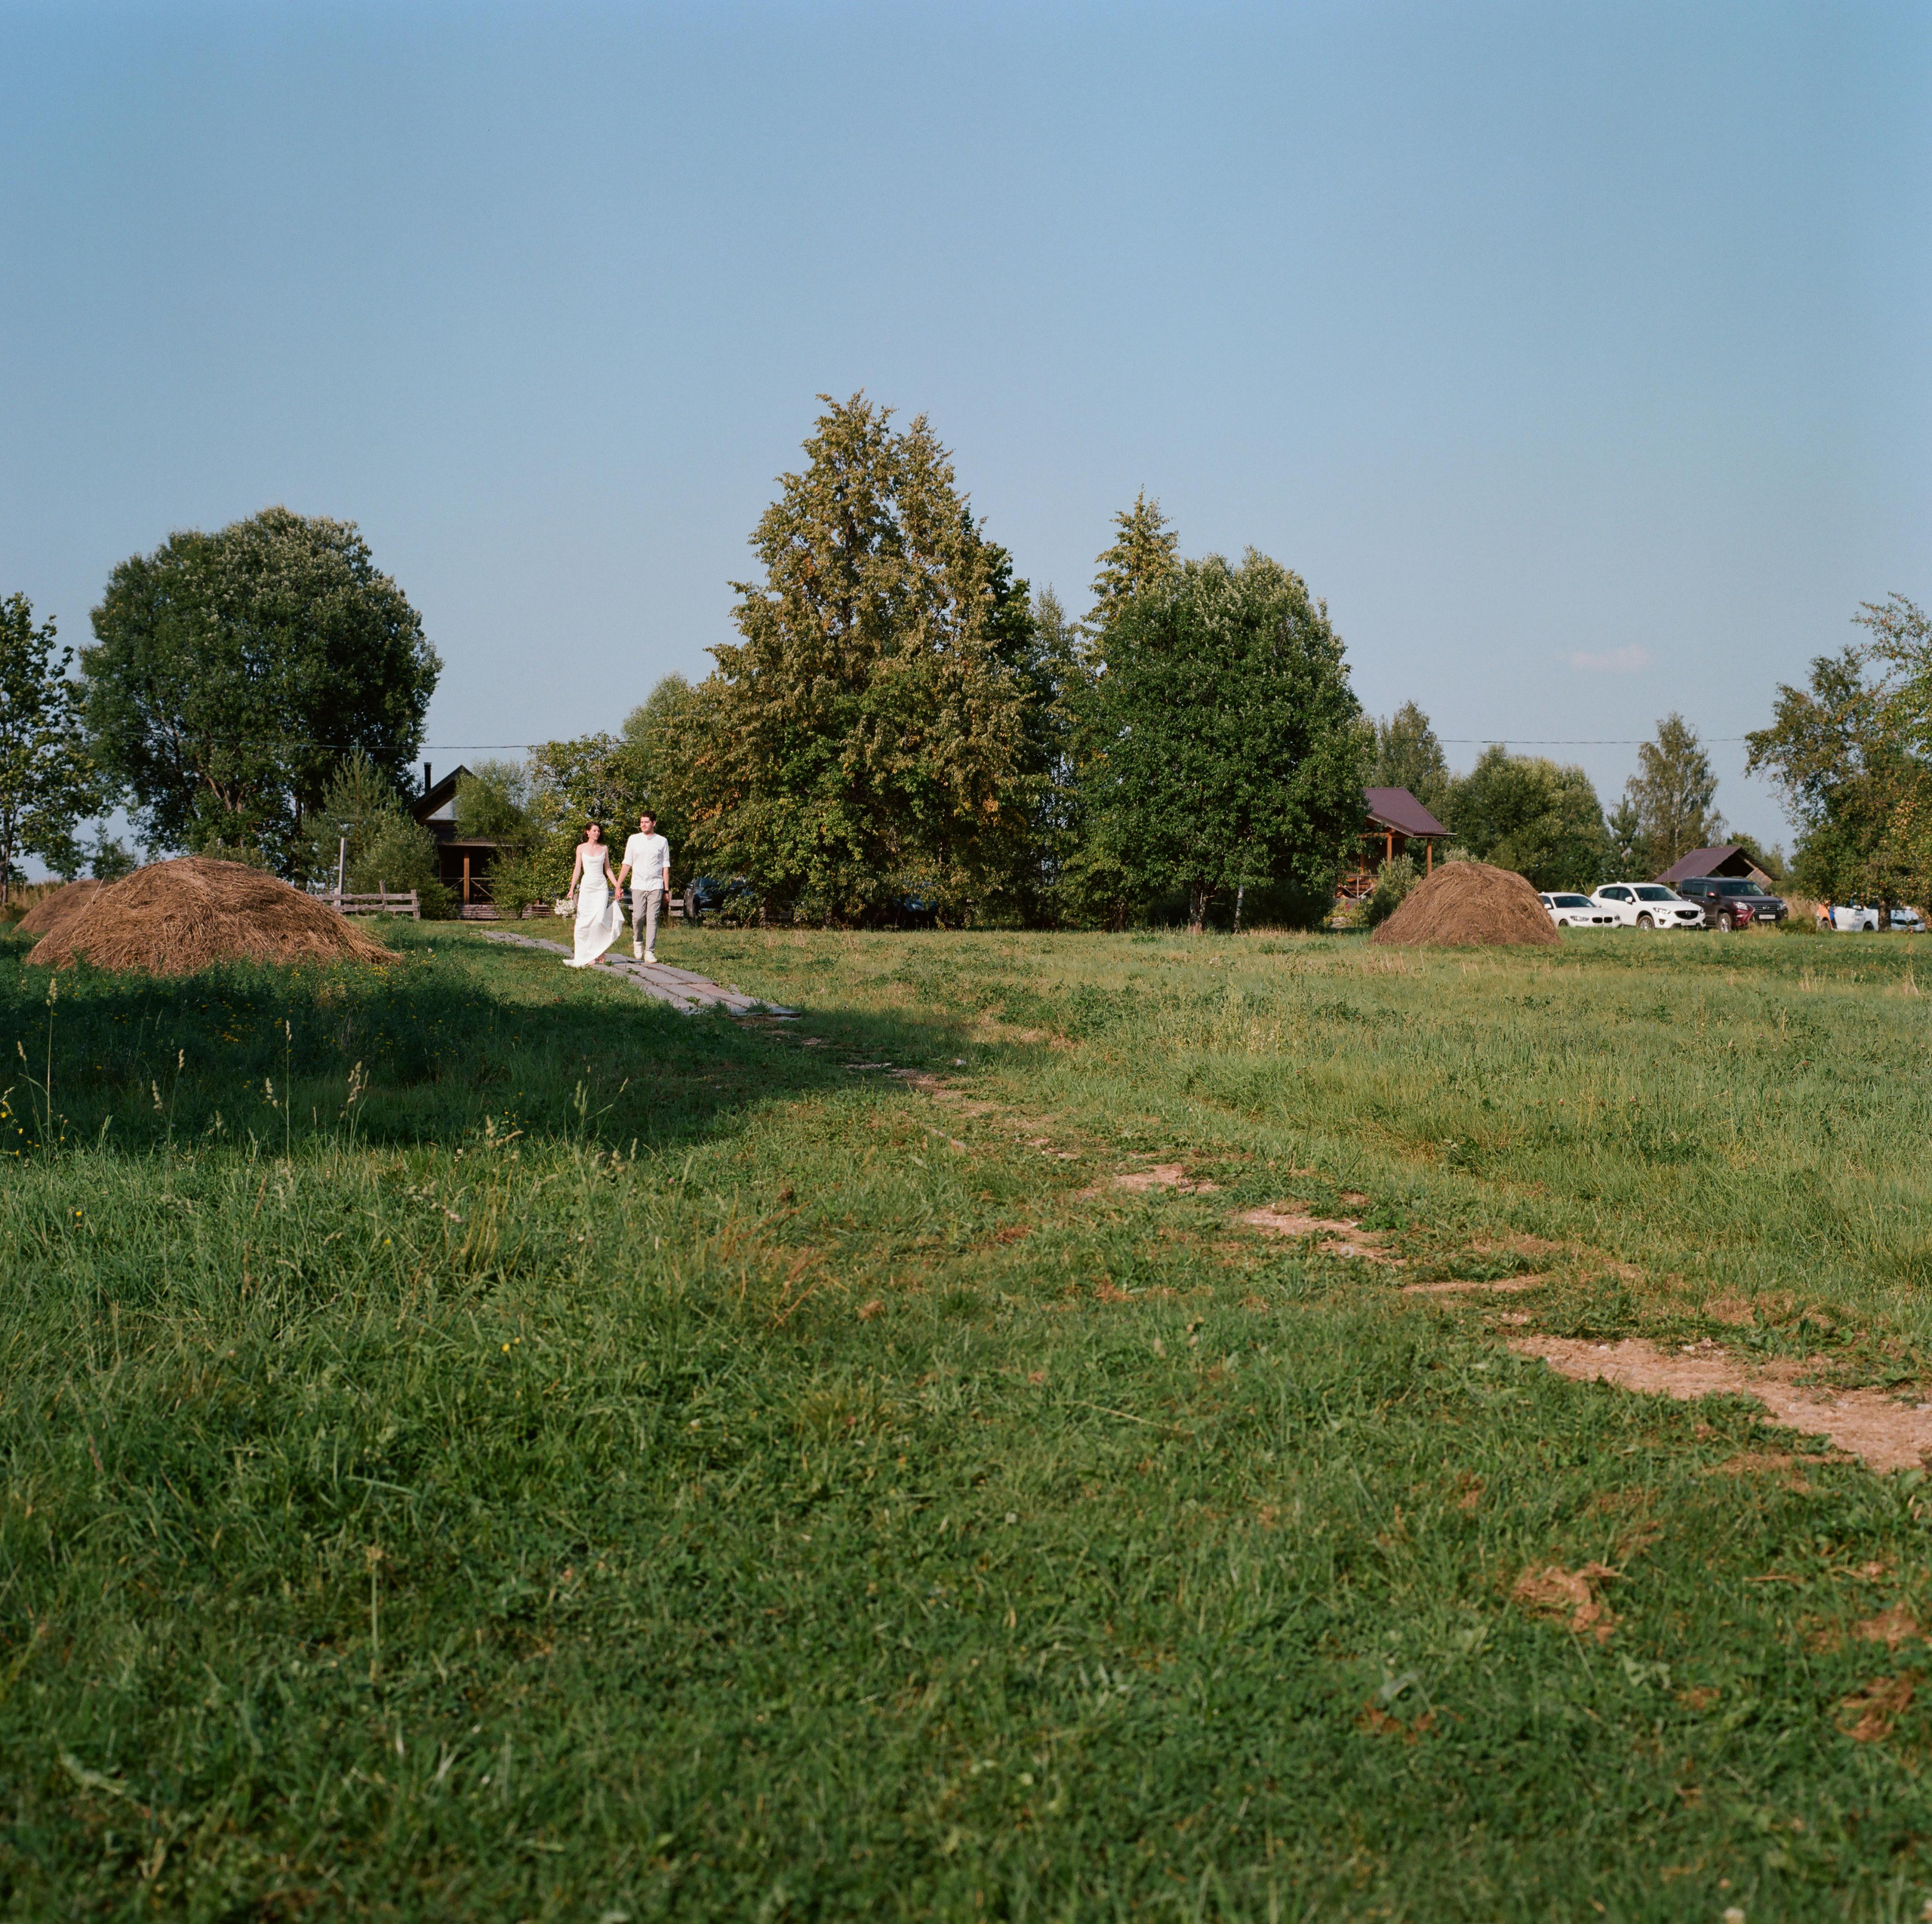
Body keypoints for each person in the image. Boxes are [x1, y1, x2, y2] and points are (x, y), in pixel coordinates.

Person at [616, 810, 672, 964]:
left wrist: (666, 890)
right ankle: (638, 941)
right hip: (638, 884)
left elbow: (665, 867)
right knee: (638, 916)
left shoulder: (662, 841)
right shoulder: (633, 840)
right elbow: (627, 863)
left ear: (654, 823)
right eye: (641, 822)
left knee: (652, 918)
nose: (643, 825)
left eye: (646, 822)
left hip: (656, 885)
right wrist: (618, 885)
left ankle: (650, 952)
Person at [564, 822, 622, 968]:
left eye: (599, 831)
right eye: (594, 831)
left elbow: (608, 869)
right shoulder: (581, 848)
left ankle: (599, 951)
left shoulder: (604, 848)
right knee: (584, 922)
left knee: (599, 919)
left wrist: (617, 886)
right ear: (588, 832)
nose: (597, 833)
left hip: (601, 887)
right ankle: (586, 954)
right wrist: (571, 889)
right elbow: (577, 869)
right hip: (587, 887)